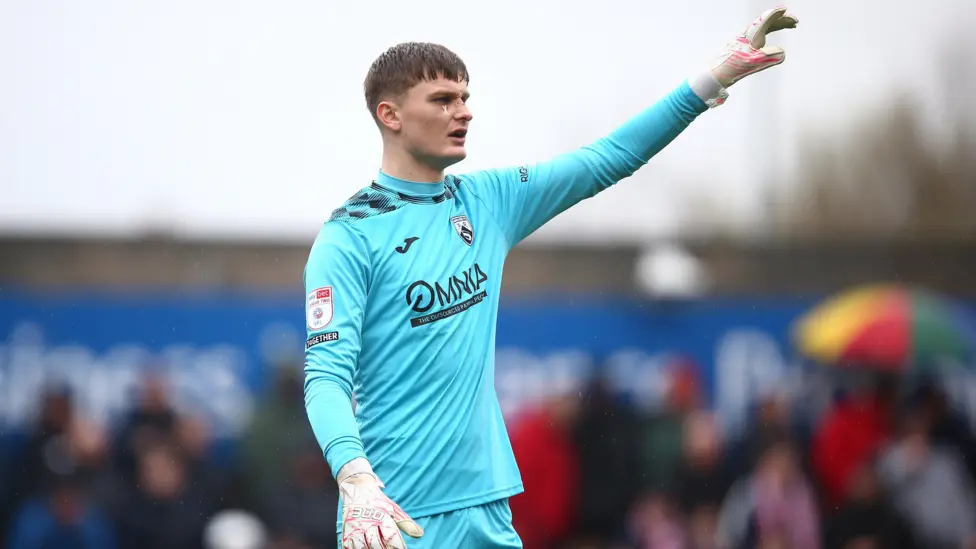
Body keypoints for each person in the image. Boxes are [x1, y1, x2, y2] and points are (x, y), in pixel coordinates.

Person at [303, 7, 798, 548]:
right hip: (392, 515)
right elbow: (325, 377)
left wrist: (712, 79)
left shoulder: (486, 201)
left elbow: (607, 158)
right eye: (443, 100)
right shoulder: (349, 235)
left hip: (486, 510)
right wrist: (354, 476)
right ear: (391, 115)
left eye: (465, 97)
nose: (464, 112)